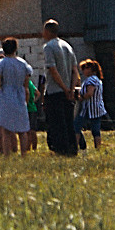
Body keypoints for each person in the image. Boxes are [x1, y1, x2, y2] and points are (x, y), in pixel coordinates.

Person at [39, 20, 78, 157]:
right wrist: (71, 89)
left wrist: (63, 87)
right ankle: (72, 148)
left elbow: (53, 70)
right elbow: (75, 71)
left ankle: (60, 149)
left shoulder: (48, 47)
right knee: (68, 121)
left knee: (56, 122)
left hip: (55, 90)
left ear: (47, 31)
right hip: (68, 90)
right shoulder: (67, 46)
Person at [0, 39, 33, 154]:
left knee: (6, 129)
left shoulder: (1, 63)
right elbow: (26, 83)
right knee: (22, 129)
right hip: (20, 95)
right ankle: (24, 153)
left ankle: (7, 154)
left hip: (6, 96)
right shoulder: (23, 63)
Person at [76, 59, 107, 151]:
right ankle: (98, 148)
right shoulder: (97, 79)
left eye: (84, 68)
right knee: (96, 130)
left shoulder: (91, 80)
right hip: (97, 108)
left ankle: (75, 146)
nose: (83, 71)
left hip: (89, 108)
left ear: (90, 69)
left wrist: (81, 98)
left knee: (76, 126)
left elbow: (90, 93)